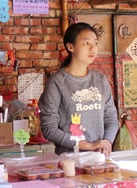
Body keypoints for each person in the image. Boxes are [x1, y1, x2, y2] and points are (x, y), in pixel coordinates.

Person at [39, 22, 119, 156]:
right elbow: (49, 129)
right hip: (70, 159)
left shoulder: (100, 80)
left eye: (95, 43)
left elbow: (111, 118)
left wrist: (106, 142)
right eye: (86, 43)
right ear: (70, 47)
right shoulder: (57, 82)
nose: (92, 48)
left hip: (99, 157)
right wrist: (89, 146)